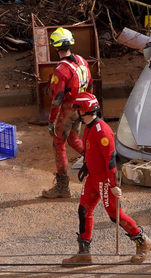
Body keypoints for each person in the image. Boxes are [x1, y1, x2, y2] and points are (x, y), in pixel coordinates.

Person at [62, 92, 151, 265]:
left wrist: (112, 185)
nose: (76, 113)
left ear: (84, 111)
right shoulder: (89, 127)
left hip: (104, 180)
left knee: (114, 214)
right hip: (92, 178)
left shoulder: (102, 131)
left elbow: (110, 160)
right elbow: (92, 153)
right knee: (84, 211)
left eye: (78, 110)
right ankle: (84, 253)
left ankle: (143, 242)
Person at [42, 27, 92, 199]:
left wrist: (51, 120)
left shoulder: (61, 69)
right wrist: (88, 109)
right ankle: (97, 162)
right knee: (73, 139)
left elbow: (57, 99)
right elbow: (90, 85)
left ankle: (62, 186)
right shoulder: (82, 61)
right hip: (81, 107)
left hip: (68, 110)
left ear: (56, 47)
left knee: (59, 143)